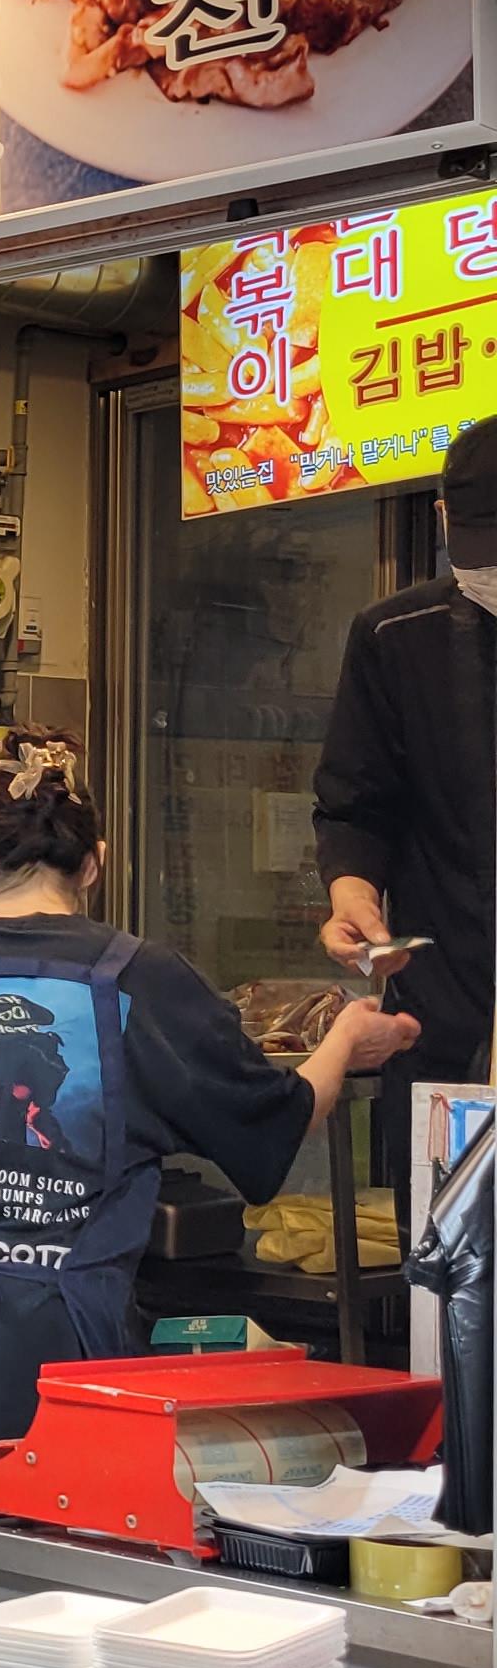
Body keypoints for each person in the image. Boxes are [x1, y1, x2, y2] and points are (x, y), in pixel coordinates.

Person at [0, 738, 417, 1668]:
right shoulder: (134, 978)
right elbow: (271, 1127)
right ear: (96, 863)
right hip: (49, 1386)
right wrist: (345, 1045)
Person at [315, 413, 497, 1159]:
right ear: (445, 518)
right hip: (444, 1027)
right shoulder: (396, 637)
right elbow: (356, 805)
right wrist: (352, 895)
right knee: (448, 1234)